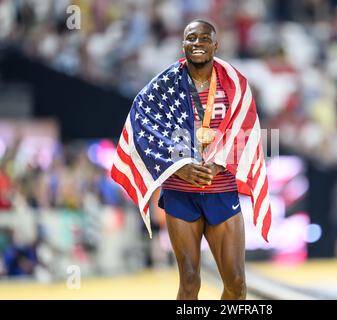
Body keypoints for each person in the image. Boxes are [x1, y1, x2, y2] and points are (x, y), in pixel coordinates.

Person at [111, 19, 272, 300]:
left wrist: (219, 162)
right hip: (181, 192)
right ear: (183, 44)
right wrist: (180, 166)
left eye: (204, 38)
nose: (197, 43)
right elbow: (144, 126)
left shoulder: (234, 83)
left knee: (236, 284)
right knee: (189, 280)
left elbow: (245, 129)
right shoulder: (164, 86)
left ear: (216, 45)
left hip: (220, 189)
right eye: (191, 38)